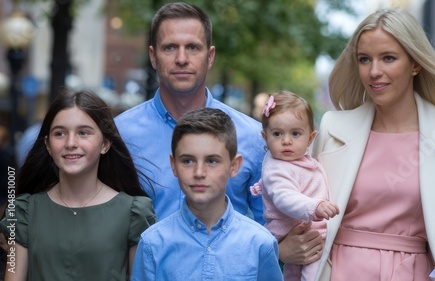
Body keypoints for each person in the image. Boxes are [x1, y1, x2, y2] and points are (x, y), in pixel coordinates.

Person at [309, 7, 435, 281]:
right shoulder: (332, 128)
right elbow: (306, 208)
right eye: (365, 59)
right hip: (337, 271)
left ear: (415, 64)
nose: (374, 71)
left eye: (388, 58)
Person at [114, 2, 265, 223]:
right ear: (153, 57)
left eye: (193, 47)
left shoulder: (252, 137)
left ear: (210, 56)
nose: (182, 59)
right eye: (170, 47)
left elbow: (269, 227)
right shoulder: (120, 135)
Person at [0, 89, 156, 281]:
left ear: (105, 143)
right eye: (60, 133)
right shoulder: (23, 212)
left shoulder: (134, 213)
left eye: (83, 132)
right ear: (48, 145)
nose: (71, 143)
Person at [131, 108, 283, 281]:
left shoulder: (260, 243)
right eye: (187, 161)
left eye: (212, 161)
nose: (199, 172)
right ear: (173, 165)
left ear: (234, 166)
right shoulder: (153, 243)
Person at [250, 91, 339, 281]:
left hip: (305, 232)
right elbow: (284, 198)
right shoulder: (276, 168)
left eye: (295, 133)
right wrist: (315, 207)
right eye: (277, 133)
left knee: (294, 274)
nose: (287, 140)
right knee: (313, 274)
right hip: (293, 233)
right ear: (265, 137)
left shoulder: (300, 160)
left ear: (310, 138)